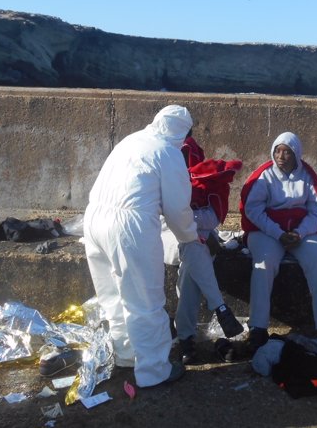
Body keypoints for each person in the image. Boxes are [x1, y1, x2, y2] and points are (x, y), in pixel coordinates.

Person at [84, 105, 197, 387]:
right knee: (145, 302)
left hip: (94, 218)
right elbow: (177, 208)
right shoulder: (168, 153)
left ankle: (125, 355)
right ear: (182, 133)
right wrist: (190, 237)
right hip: (128, 226)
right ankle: (154, 371)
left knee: (113, 295)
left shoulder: (130, 140)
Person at [240, 131, 317, 352]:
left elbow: (316, 211)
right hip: (267, 231)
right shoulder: (264, 176)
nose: (281, 156)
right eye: (278, 151)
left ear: (296, 155)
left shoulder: (307, 176)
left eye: (287, 152)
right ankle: (258, 327)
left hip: (299, 232)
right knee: (264, 263)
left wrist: (299, 233)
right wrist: (277, 233)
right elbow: (253, 210)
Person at [165, 133, 245, 364]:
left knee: (191, 264)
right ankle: (220, 307)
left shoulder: (208, 177)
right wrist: (191, 224)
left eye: (186, 154)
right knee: (195, 247)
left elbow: (213, 218)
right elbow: (164, 218)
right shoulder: (161, 175)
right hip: (166, 237)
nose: (183, 159)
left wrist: (189, 222)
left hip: (194, 240)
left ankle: (186, 339)